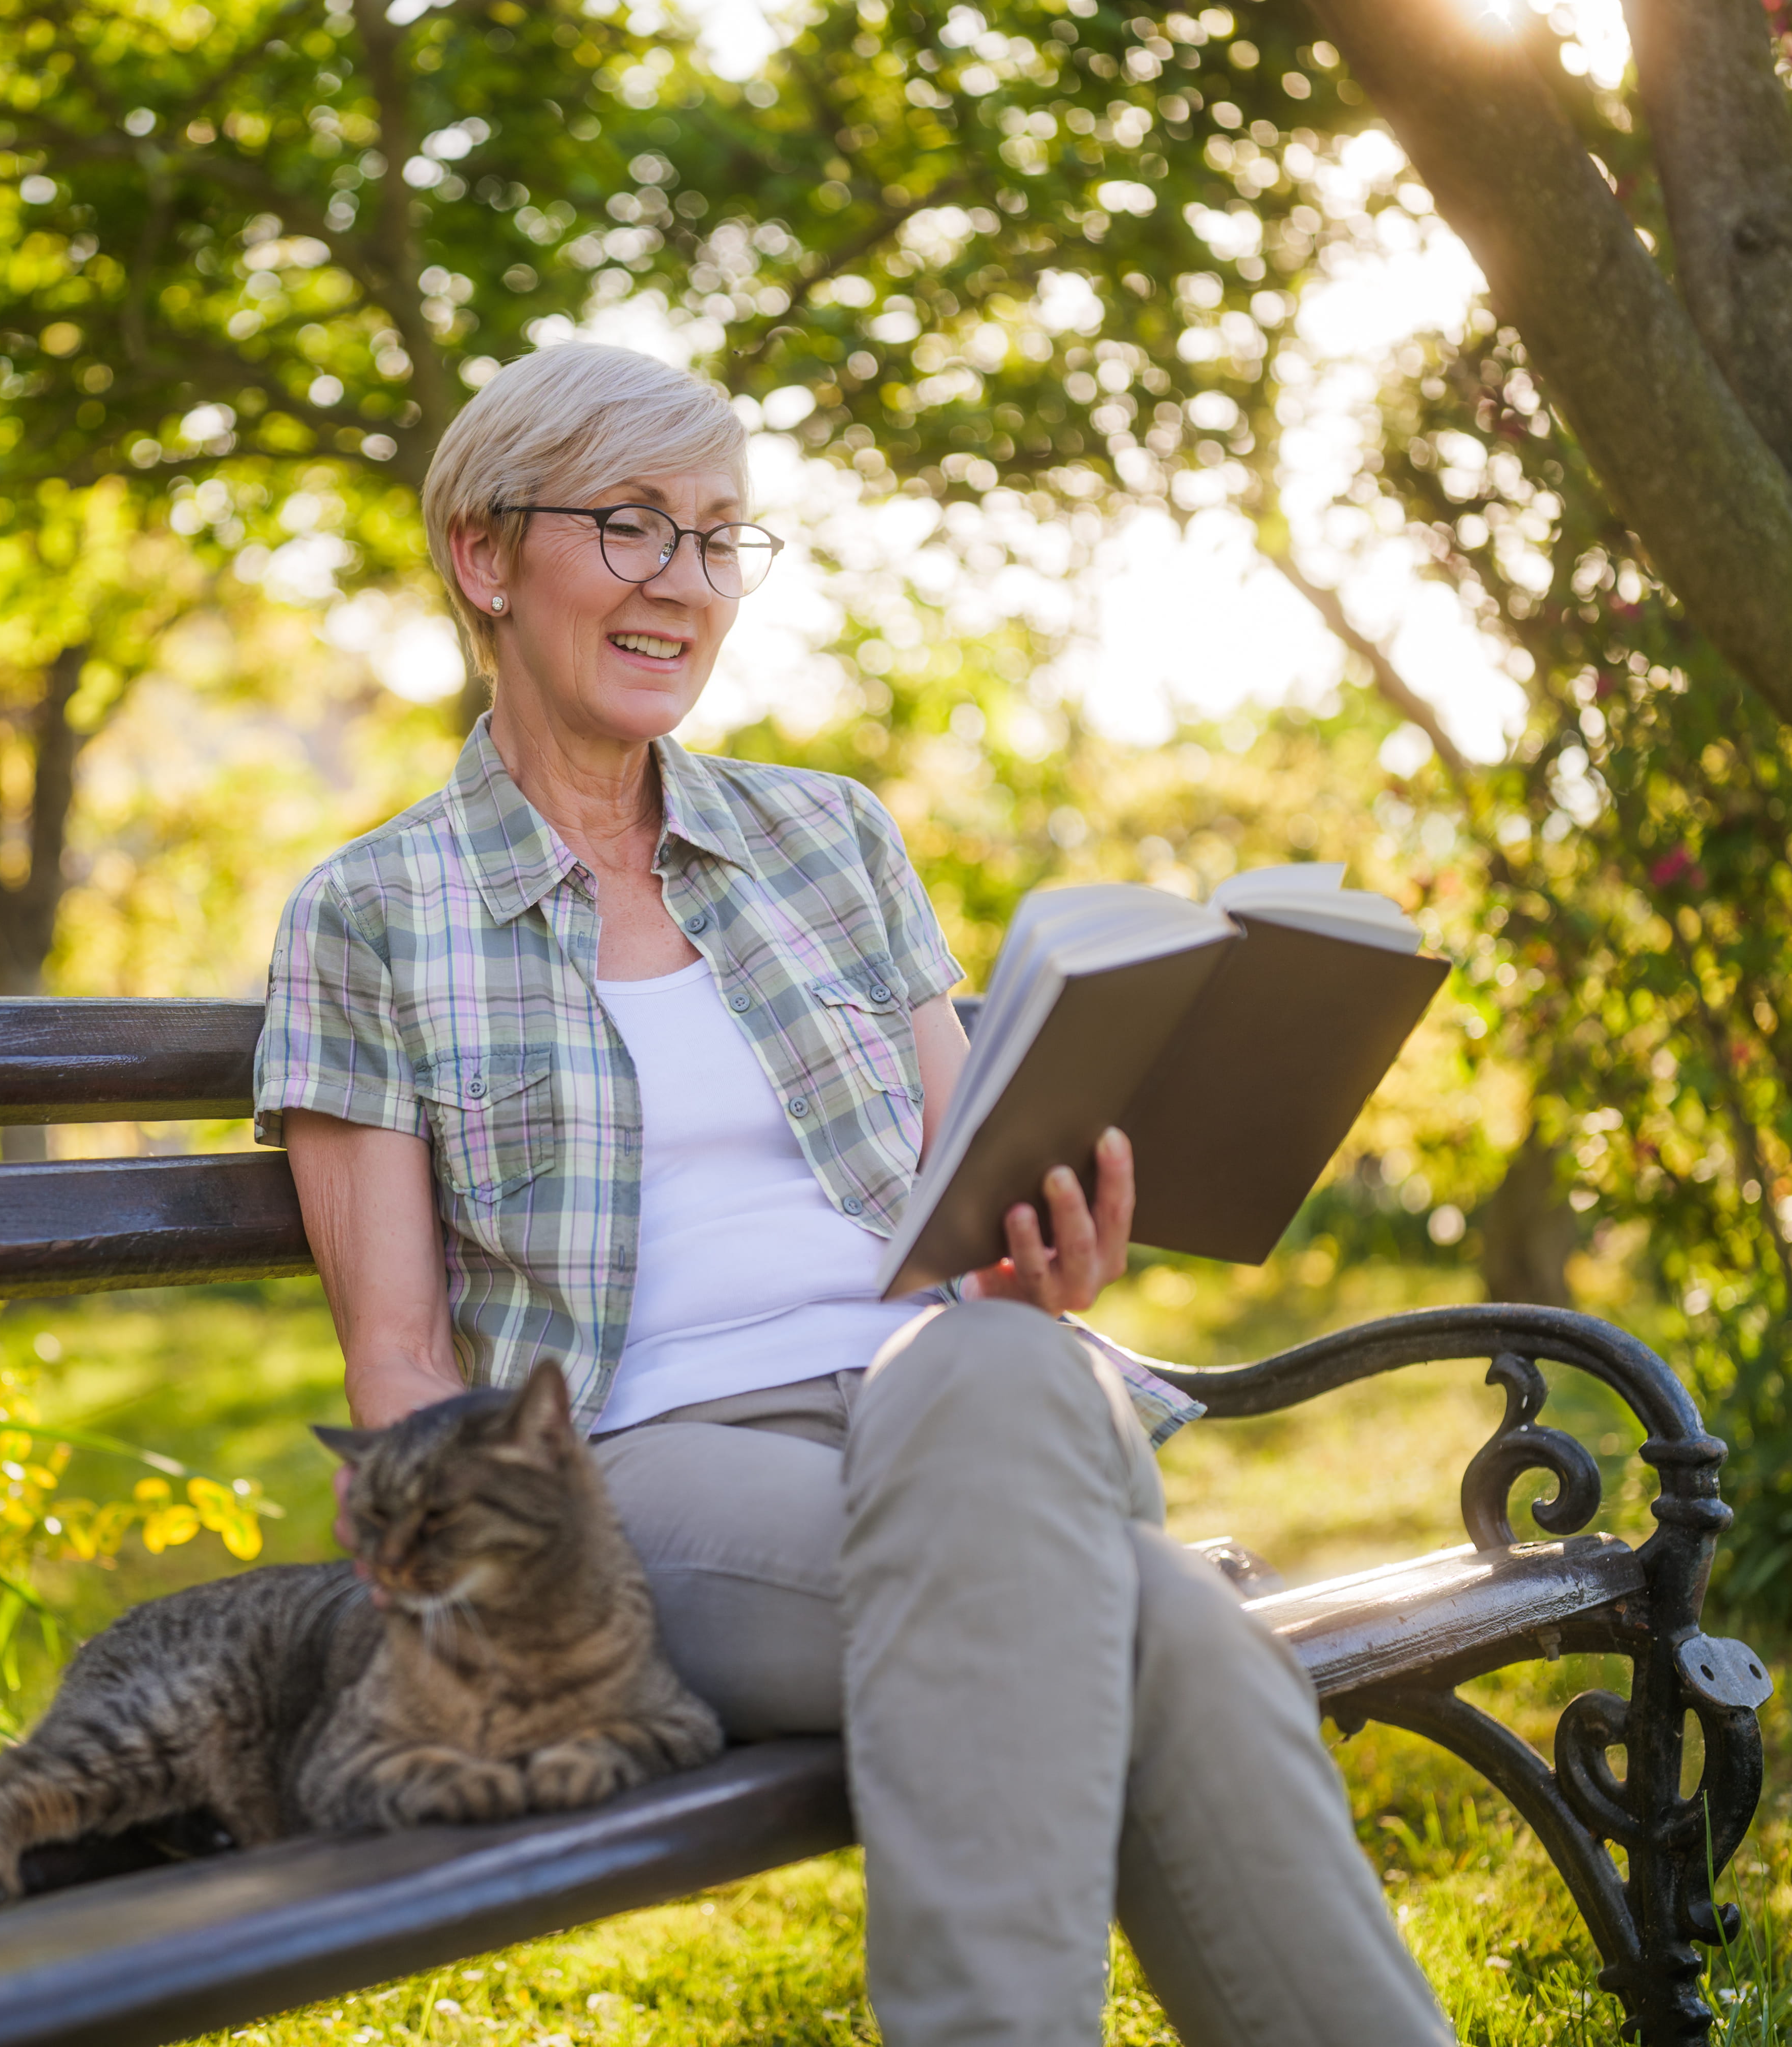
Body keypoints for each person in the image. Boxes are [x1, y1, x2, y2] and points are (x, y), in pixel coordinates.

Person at [251, 342, 1452, 2047]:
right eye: (633, 525)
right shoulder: (373, 914)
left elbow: (972, 1206)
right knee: (1168, 1632)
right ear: (482, 557)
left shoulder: (830, 842)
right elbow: (398, 1361)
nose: (687, 583)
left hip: (960, 1404)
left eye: (722, 537)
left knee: (997, 1364)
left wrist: (1041, 1265)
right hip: (640, 1472)